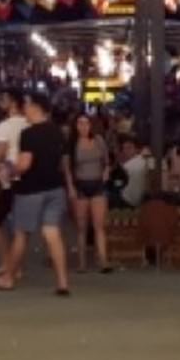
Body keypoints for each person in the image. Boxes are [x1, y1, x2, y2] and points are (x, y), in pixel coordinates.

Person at [0, 92, 72, 294]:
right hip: (55, 188)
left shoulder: (28, 134)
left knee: (21, 234)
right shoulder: (57, 131)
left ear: (36, 107)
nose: (24, 109)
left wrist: (9, 170)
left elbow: (24, 164)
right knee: (52, 233)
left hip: (30, 190)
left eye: (26, 105)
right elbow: (62, 162)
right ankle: (62, 282)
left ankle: (8, 278)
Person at [0, 89, 28, 283]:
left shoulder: (4, 126)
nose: (0, 102)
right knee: (17, 224)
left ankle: (7, 262)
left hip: (7, 178)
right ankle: (16, 265)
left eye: (3, 99)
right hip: (26, 177)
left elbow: (0, 152)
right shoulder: (28, 123)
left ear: (13, 102)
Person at [70, 112, 114, 273]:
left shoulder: (98, 140)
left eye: (86, 123)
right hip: (81, 185)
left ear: (91, 125)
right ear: (76, 126)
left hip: (98, 184)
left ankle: (103, 261)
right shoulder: (73, 143)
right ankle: (81, 263)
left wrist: (106, 171)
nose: (83, 126)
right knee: (81, 227)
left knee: (99, 226)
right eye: (80, 123)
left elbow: (107, 161)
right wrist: (71, 186)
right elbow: (68, 167)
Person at [115, 135, 149, 208]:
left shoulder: (128, 166)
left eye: (129, 148)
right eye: (124, 148)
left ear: (137, 149)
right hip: (139, 201)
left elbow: (117, 184)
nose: (126, 151)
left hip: (127, 201)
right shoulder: (143, 161)